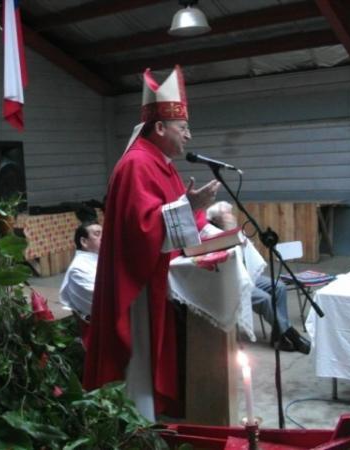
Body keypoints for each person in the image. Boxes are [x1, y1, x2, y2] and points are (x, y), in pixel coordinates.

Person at [83, 65, 220, 420]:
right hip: (138, 285)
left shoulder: (162, 163)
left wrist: (206, 224)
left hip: (156, 276)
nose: (189, 135)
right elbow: (141, 231)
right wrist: (189, 207)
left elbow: (174, 214)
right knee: (139, 355)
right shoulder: (137, 164)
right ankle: (136, 422)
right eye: (183, 127)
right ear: (159, 127)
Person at [206, 201, 311, 354]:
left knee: (279, 287)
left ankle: (278, 337)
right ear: (216, 219)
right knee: (265, 299)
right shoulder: (212, 235)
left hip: (247, 274)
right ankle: (290, 334)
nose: (231, 217)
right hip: (233, 282)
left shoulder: (234, 232)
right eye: (227, 214)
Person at [59, 221, 102, 322]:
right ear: (84, 242)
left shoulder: (101, 259)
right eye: (97, 234)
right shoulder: (78, 269)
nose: (104, 237)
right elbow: (100, 300)